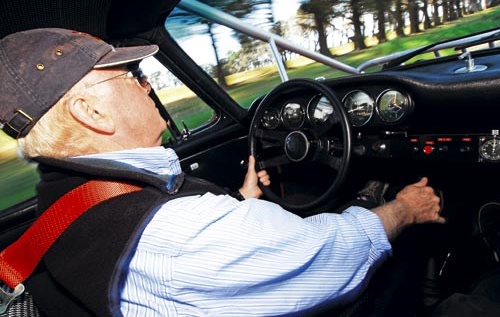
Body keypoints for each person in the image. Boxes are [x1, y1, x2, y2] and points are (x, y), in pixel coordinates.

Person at [0, 28, 444, 317]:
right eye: (130, 75)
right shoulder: (181, 237)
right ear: (91, 110)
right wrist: (403, 208)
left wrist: (243, 205)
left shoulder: (64, 202)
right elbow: (332, 254)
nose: (147, 85)